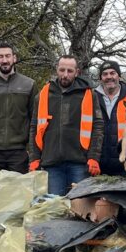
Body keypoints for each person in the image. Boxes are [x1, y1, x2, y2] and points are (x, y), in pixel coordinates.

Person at [29, 55, 105, 195]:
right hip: (51, 163)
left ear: (77, 72)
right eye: (62, 70)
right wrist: (34, 158)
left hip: (80, 163)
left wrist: (94, 157)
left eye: (70, 71)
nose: (65, 75)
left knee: (79, 208)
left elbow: (97, 126)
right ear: (56, 69)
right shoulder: (44, 94)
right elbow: (34, 127)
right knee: (55, 210)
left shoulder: (88, 94)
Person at [0, 42, 37, 179]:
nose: (4, 60)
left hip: (19, 153)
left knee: (17, 196)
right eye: (1, 56)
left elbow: (35, 120)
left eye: (8, 56)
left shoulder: (29, 84)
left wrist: (30, 150)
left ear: (14, 58)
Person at [94, 59, 126, 176]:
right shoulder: (92, 98)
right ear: (100, 78)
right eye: (105, 74)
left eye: (112, 73)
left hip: (124, 163)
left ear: (119, 76)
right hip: (97, 164)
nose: (109, 77)